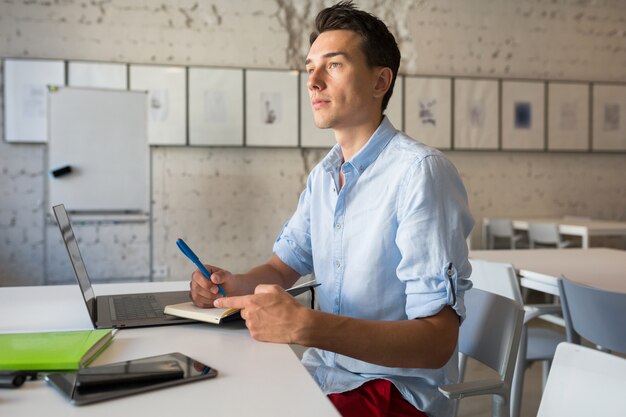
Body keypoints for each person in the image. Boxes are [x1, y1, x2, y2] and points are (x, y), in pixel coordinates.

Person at [190, 2, 473, 416]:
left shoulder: (420, 174)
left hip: (391, 392)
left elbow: (436, 342)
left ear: (380, 81)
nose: (314, 82)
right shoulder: (324, 176)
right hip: (322, 376)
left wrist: (307, 326)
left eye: (334, 65)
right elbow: (281, 268)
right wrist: (231, 285)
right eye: (309, 69)